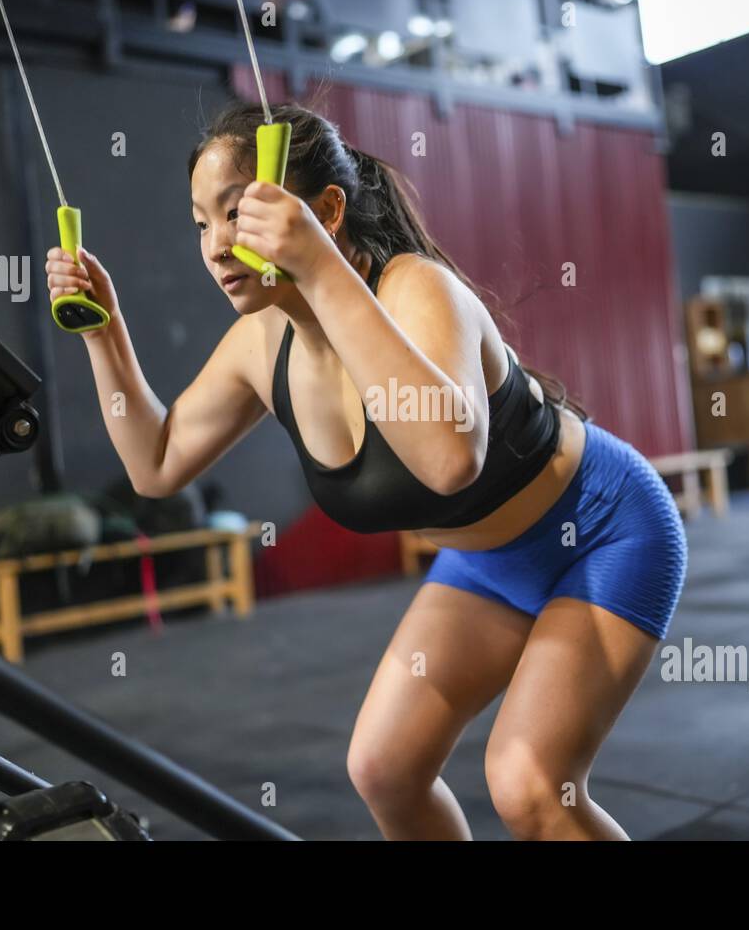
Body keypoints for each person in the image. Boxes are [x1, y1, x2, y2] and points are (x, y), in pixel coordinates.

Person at [45, 101, 687, 840]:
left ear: (326, 209)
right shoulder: (262, 343)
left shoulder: (416, 289)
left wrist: (317, 265)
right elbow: (155, 466)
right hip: (488, 566)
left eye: (237, 213)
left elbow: (450, 460)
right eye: (201, 223)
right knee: (384, 768)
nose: (218, 246)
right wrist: (104, 334)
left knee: (531, 784)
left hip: (604, 531)